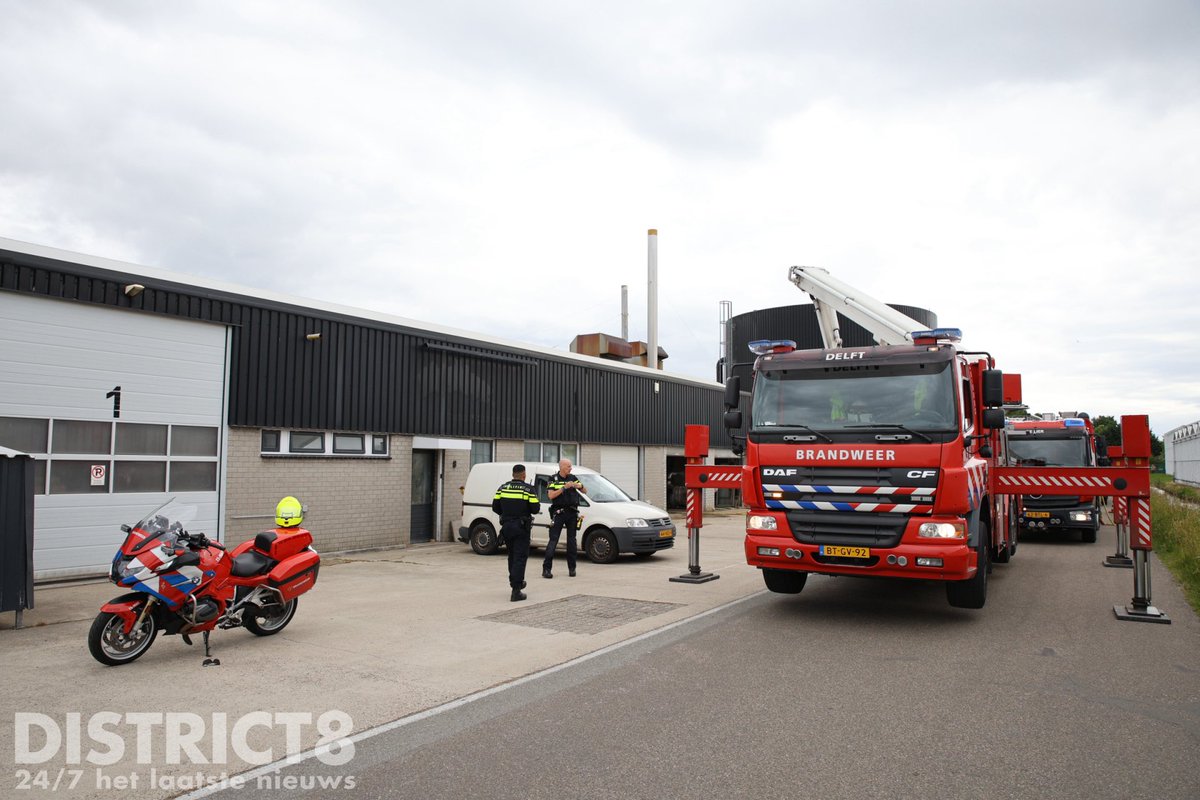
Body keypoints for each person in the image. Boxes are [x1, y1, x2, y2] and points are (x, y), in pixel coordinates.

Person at [492, 464, 539, 601]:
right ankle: (516, 590)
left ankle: (514, 582)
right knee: (520, 557)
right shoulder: (528, 489)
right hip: (521, 527)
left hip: (507, 527)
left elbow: (495, 507)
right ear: (524, 475)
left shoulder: (503, 488)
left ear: (513, 475)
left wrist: (507, 514)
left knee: (512, 556)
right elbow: (535, 509)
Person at [543, 459, 587, 578]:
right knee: (553, 540)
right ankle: (546, 569)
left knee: (572, 542)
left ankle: (572, 569)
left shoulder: (572, 477)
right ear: (562, 467)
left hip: (572, 513)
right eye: (568, 466)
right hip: (559, 513)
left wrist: (579, 485)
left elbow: (585, 490)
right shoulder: (553, 479)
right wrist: (564, 488)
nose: (570, 468)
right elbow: (551, 495)